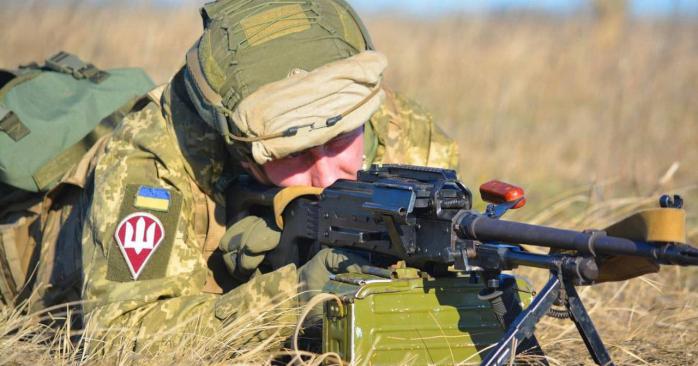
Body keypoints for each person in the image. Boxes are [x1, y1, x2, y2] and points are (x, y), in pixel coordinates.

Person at [32, 0, 459, 351]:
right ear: (243, 155)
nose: (329, 175)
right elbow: (123, 341)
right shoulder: (153, 158)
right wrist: (294, 297)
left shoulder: (405, 133)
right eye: (294, 155)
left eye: (340, 139)